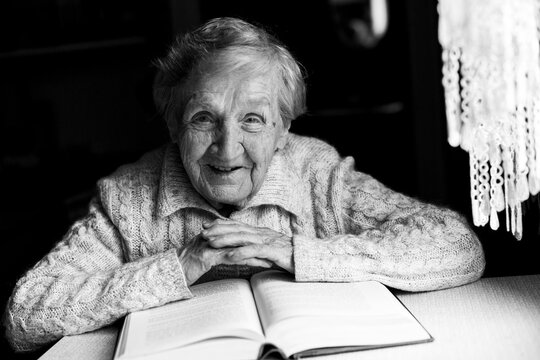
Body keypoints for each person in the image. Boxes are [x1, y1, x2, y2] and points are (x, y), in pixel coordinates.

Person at [3, 17, 485, 353]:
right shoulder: (130, 197)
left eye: (253, 119)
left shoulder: (317, 172)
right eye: (203, 118)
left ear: (282, 131)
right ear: (173, 126)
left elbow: (457, 247)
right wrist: (178, 267)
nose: (227, 147)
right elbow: (25, 316)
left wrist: (295, 252)